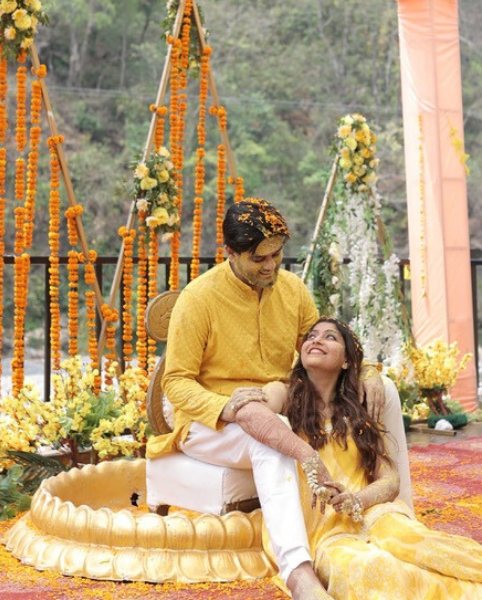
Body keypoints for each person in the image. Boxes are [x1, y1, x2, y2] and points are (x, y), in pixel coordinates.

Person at [146, 198, 410, 600]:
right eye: (259, 258)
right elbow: (176, 382)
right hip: (209, 422)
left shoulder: (292, 289)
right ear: (230, 253)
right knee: (271, 440)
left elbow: (321, 342)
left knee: (384, 389)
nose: (271, 266)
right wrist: (225, 406)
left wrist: (367, 371)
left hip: (278, 402)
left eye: (277, 254)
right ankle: (299, 572)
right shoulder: (199, 298)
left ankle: (399, 514)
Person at [231, 317, 482, 600]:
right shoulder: (287, 394)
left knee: (420, 544)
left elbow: (390, 480)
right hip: (323, 534)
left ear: (348, 360)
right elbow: (250, 412)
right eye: (310, 336)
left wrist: (357, 500)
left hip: (374, 513)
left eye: (330, 337)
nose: (315, 340)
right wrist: (308, 457)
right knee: (366, 570)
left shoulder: (357, 411)